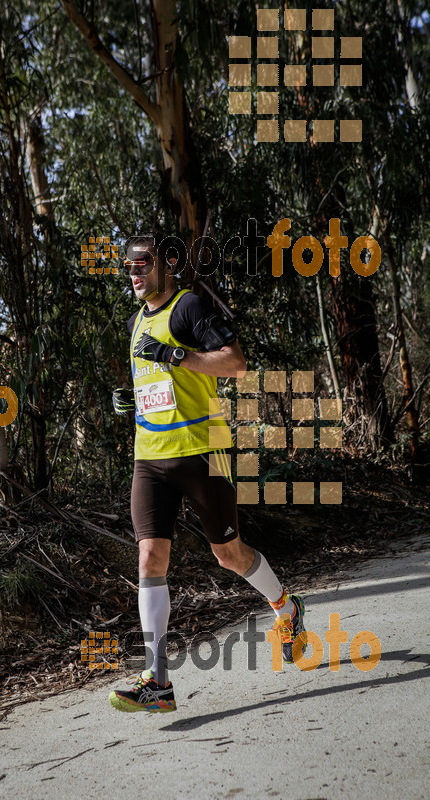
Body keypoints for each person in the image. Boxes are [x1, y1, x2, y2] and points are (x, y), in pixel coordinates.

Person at [108, 233, 306, 713]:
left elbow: (235, 362)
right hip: (150, 458)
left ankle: (286, 608)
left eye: (143, 265)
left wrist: (180, 356)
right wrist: (130, 400)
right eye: (128, 268)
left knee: (229, 555)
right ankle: (158, 681)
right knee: (149, 561)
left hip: (203, 453)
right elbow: (156, 384)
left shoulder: (189, 306)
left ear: (165, 265)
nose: (134, 274)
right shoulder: (136, 323)